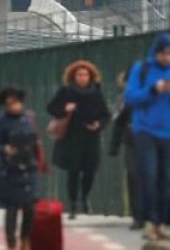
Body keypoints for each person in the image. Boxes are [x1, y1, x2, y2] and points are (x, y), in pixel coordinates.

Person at [125, 32, 170, 241]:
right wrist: (153, 89)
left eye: (169, 53)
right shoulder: (142, 69)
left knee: (166, 178)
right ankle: (149, 220)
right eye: (162, 53)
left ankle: (161, 223)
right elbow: (131, 98)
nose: (165, 57)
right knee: (148, 175)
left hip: (169, 131)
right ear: (155, 52)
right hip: (145, 129)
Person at [46, 60, 110, 220]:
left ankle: (85, 198)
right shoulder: (66, 91)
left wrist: (98, 124)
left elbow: (106, 114)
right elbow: (51, 108)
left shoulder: (96, 92)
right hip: (71, 137)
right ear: (73, 76)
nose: (83, 77)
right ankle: (73, 204)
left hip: (91, 137)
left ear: (91, 76)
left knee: (90, 170)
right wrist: (64, 109)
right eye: (79, 74)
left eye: (86, 74)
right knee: (73, 171)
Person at [0, 87, 39, 250]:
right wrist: (5, 149)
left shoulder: (28, 117)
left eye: (16, 103)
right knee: (11, 209)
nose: (14, 106)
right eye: (10, 104)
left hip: (28, 167)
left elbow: (35, 139)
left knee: (30, 208)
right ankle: (11, 243)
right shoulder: (0, 122)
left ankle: (25, 239)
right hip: (10, 169)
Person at [109, 70, 143, 231]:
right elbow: (119, 121)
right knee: (134, 176)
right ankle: (138, 216)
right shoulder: (126, 99)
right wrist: (114, 145)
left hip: (154, 141)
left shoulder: (155, 94)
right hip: (131, 141)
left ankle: (152, 215)